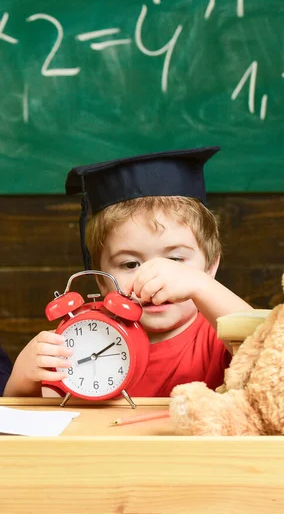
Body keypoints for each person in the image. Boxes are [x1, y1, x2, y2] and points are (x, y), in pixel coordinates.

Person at [4, 146, 252, 398]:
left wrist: (202, 287)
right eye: (130, 264)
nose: (152, 278)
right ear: (101, 281)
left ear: (210, 268)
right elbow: (26, 425)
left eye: (176, 260)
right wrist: (22, 381)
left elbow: (272, 349)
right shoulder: (84, 339)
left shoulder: (218, 336)